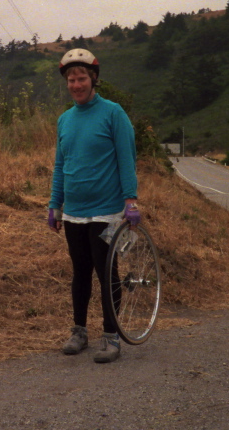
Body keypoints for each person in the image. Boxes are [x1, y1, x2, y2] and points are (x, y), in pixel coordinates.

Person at [47, 48, 140, 363]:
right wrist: (54, 205)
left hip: (108, 212)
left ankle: (112, 337)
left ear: (93, 79)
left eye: (82, 77)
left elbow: (126, 157)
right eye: (71, 79)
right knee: (80, 273)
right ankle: (79, 332)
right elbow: (61, 165)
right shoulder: (64, 120)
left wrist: (130, 199)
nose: (76, 84)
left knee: (106, 272)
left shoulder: (113, 113)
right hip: (74, 213)